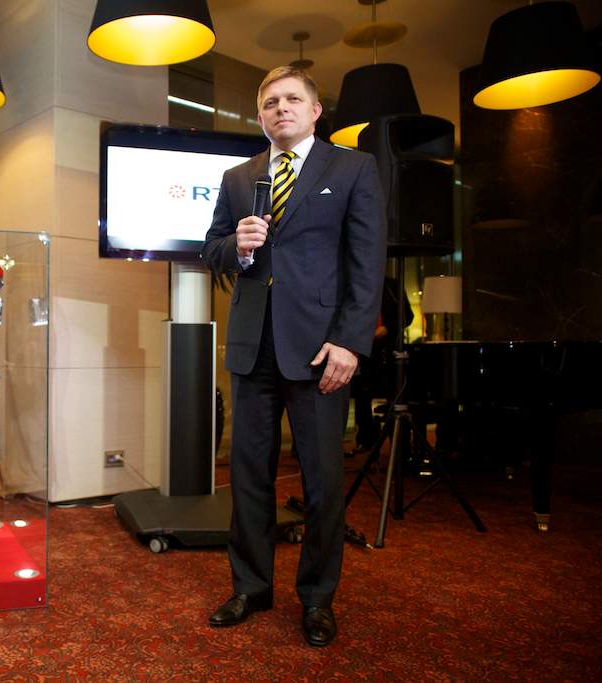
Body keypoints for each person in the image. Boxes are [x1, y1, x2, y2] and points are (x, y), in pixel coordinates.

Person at [200, 66, 386, 647]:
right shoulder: (238, 177)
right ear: (260, 116)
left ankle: (317, 599)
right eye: (271, 102)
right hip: (252, 347)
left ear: (314, 110)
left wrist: (351, 341)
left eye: (292, 99)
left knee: (323, 482)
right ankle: (251, 588)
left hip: (320, 350)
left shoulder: (353, 168)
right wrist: (237, 247)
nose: (281, 108)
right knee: (248, 479)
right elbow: (211, 250)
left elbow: (367, 262)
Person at [349, 275, 413, 455]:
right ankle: (365, 441)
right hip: (364, 349)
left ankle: (400, 446)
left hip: (389, 351)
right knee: (362, 397)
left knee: (395, 398)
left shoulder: (392, 286)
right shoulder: (356, 282)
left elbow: (407, 316)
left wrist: (387, 329)